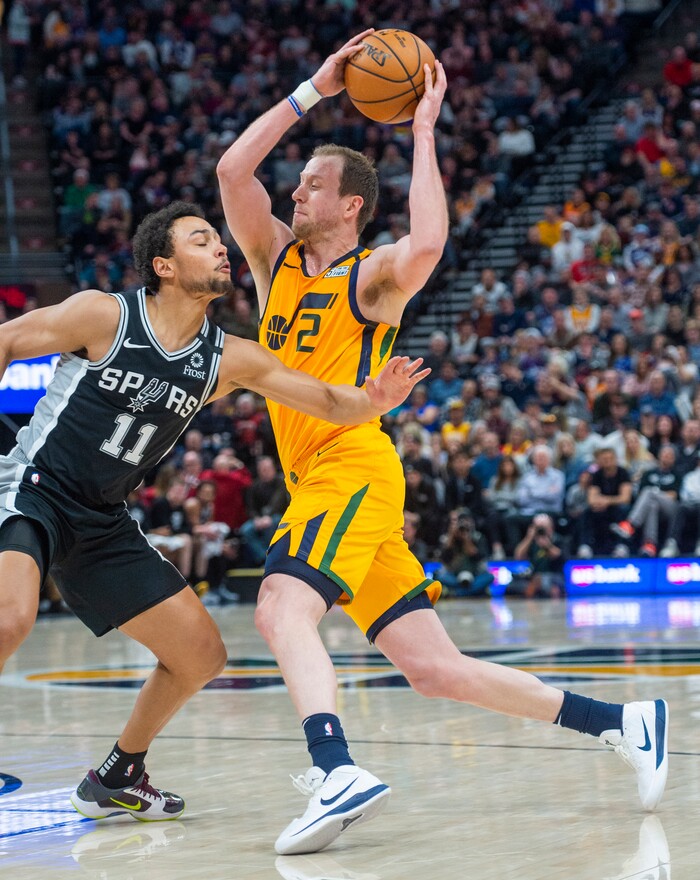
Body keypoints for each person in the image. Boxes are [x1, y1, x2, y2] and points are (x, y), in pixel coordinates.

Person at [217, 31, 668, 858]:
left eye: (314, 185)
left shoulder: (371, 280)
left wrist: (423, 131)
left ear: (352, 204)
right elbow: (231, 173)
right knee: (433, 668)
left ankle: (335, 770)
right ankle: (624, 722)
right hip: (323, 480)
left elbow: (428, 244)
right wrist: (313, 91)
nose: (298, 193)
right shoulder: (274, 260)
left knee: (281, 605)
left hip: (351, 467)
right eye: (301, 184)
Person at [0, 200, 427, 824]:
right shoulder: (105, 315)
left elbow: (330, 402)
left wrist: (375, 397)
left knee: (201, 655)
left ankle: (121, 773)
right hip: (35, 489)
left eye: (219, 241)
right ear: (164, 266)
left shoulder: (228, 359)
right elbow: (9, 339)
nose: (222, 247)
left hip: (103, 518)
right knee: (11, 617)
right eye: (202, 241)